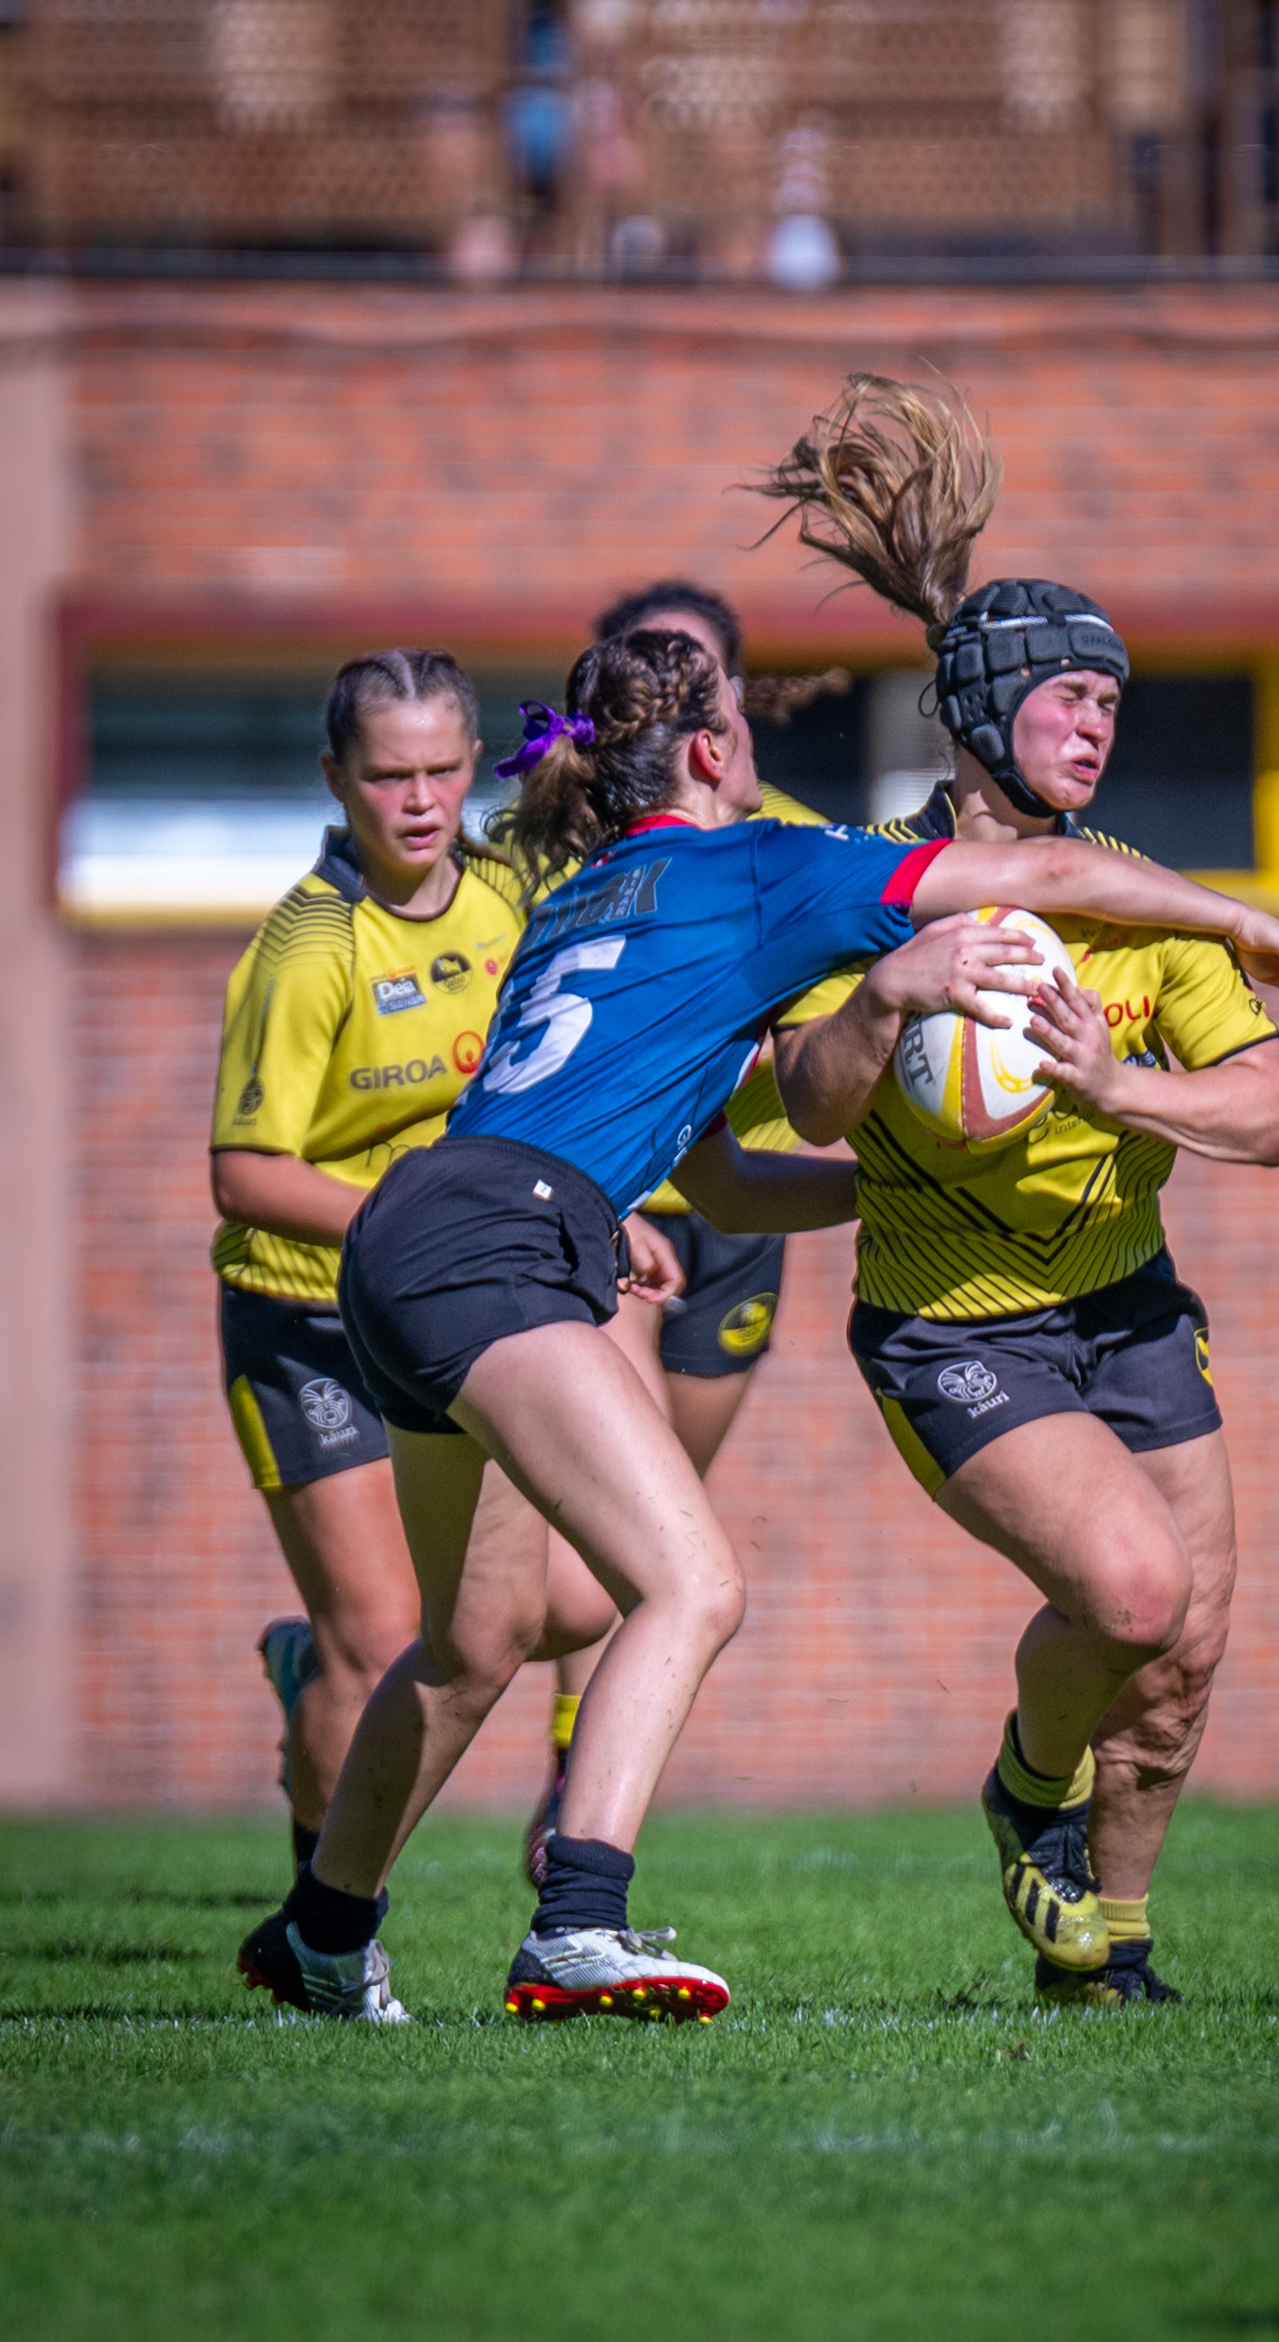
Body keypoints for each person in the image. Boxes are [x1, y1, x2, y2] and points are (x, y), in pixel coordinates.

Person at [232, 618, 1279, 2026]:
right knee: (692, 1582)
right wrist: (1246, 918)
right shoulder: (754, 862)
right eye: (749, 745)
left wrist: (881, 1190)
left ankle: (324, 1929)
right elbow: (1049, 867)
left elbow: (728, 1180)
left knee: (471, 1641)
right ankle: (577, 1920)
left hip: (410, 1229)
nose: (768, 772)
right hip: (504, 1243)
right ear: (707, 755)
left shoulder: (584, 898)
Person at [759, 375, 1279, 2006]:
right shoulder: (863, 892)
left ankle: (1110, 1954)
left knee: (1188, 1640)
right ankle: (1028, 1791)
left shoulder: (1141, 903)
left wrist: (1109, 1084)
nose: (1096, 726)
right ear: (986, 706)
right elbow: (806, 1109)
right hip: (957, 1324)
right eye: (1069, 696)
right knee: (1130, 1590)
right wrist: (887, 999)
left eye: (1110, 704)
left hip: (1131, 1305)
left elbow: (1269, 1112)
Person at [211, 649, 620, 1906]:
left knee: (582, 1600)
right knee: (387, 1634)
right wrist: (409, 1216)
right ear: (337, 778)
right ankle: (332, 1924)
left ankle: (315, 1681)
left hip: (450, 1307)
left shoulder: (509, 890)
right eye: (389, 774)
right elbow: (245, 1171)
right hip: (308, 1320)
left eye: (445, 768)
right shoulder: (308, 948)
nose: (421, 798)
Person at [522, 578, 831, 1888]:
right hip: (613, 1204)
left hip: (733, 1189)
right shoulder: (567, 852)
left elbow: (828, 1052)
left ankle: (524, 1722)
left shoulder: (796, 840)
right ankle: (574, 1820)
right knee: (638, 1545)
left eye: (698, 674)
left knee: (651, 1515)